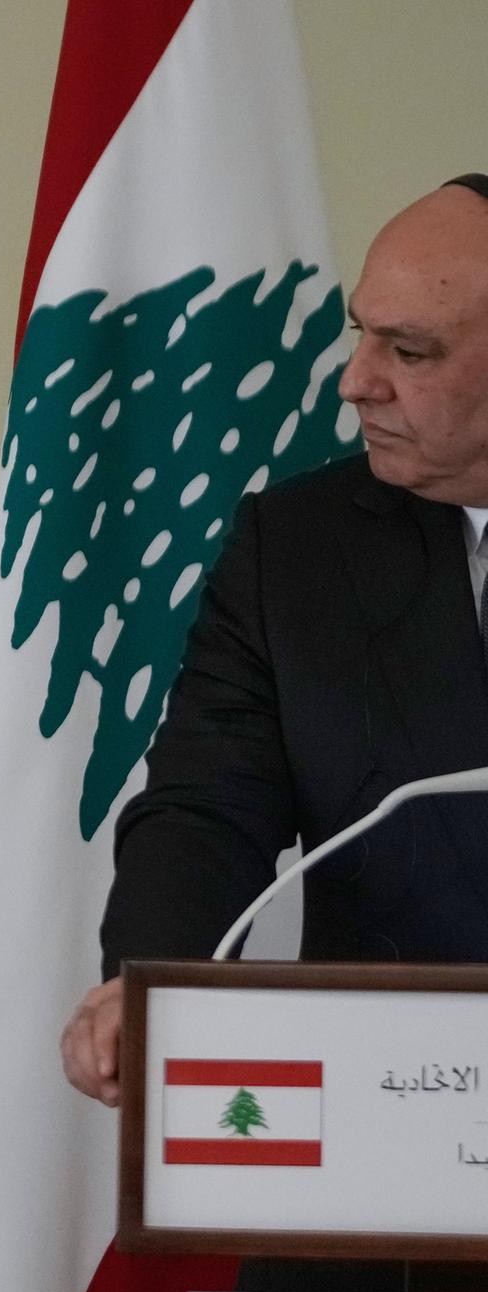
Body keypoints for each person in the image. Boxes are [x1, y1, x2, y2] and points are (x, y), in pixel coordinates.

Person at [62, 176, 488, 1105]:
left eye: (409, 351)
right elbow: (207, 806)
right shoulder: (298, 548)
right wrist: (158, 983)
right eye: (359, 331)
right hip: (387, 1134)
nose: (355, 381)